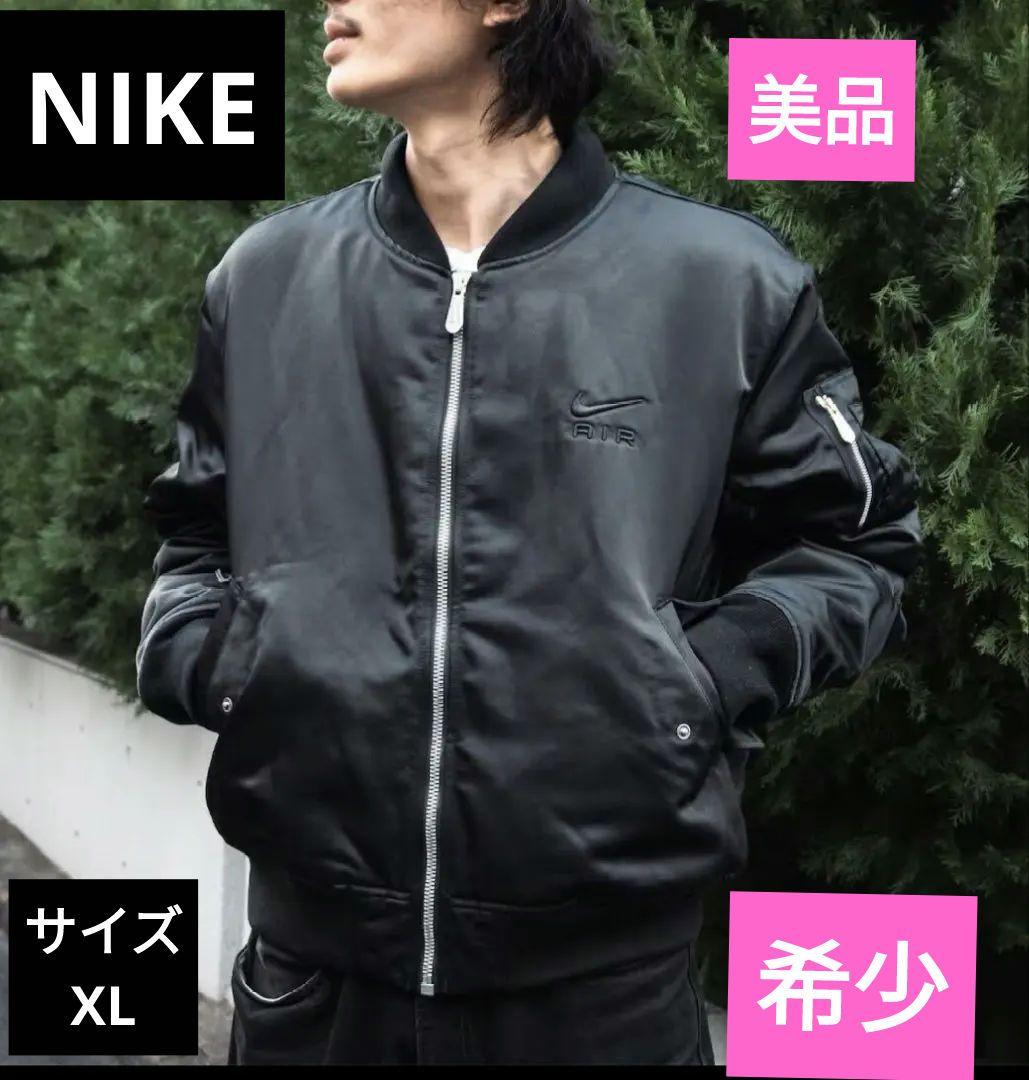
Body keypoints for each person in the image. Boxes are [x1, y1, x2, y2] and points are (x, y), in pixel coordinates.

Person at [135, 0, 924, 1066]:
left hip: (601, 997)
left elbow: (856, 542)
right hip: (314, 985)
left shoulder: (719, 279)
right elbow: (195, 530)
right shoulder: (265, 276)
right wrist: (219, 661)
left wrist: (699, 679)